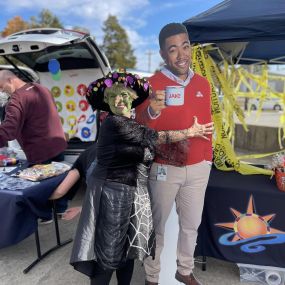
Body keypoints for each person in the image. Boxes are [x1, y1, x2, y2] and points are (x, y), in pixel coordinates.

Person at [50, 70, 212, 285]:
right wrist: (190, 132)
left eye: (124, 94)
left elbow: (145, 131)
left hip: (132, 195)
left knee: (127, 254)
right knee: (107, 256)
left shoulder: (132, 122)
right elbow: (154, 136)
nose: (119, 100)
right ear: (106, 101)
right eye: (113, 96)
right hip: (111, 195)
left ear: (133, 98)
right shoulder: (114, 123)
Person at [135, 23, 214, 285]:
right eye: (173, 49)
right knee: (157, 228)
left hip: (199, 167)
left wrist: (207, 158)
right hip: (165, 167)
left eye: (185, 46)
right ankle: (152, 277)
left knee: (191, 225)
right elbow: (141, 128)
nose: (181, 54)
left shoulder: (203, 83)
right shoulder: (151, 85)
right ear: (162, 54)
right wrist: (153, 112)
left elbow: (207, 124)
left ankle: (184, 270)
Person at [0, 70, 68, 221]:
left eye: (2, 86)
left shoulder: (16, 99)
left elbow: (9, 131)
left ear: (10, 80)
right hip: (57, 143)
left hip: (39, 151)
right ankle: (60, 210)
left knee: (41, 187)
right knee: (58, 180)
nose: (1, 90)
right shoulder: (41, 88)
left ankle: (47, 215)